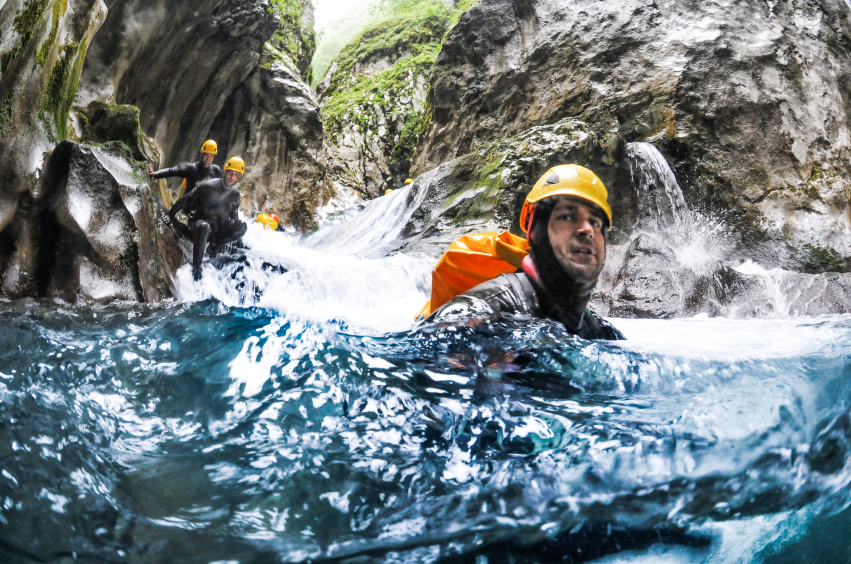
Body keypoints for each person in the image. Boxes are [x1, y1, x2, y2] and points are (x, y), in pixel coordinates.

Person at [427, 164, 625, 340]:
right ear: (534, 230)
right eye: (566, 217)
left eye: (595, 222)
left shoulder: (604, 334)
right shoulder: (478, 313)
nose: (587, 230)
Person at [167, 156, 248, 281]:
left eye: (236, 175)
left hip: (215, 229)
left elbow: (234, 216)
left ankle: (214, 247)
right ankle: (196, 267)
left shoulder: (235, 194)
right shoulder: (208, 186)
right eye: (230, 173)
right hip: (197, 226)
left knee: (241, 227)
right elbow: (186, 199)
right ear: (225, 171)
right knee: (205, 226)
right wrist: (169, 216)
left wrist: (239, 243)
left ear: (238, 177)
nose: (232, 177)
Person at [149, 140, 223, 199]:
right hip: (189, 205)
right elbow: (171, 171)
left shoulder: (216, 170)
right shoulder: (191, 168)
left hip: (204, 208)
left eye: (211, 156)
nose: (208, 158)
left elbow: (223, 187)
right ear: (202, 154)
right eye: (206, 155)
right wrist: (155, 174)